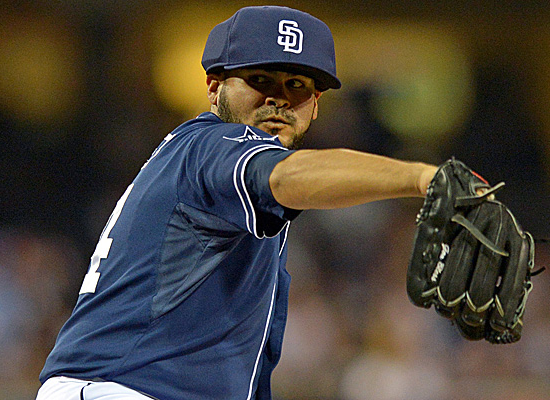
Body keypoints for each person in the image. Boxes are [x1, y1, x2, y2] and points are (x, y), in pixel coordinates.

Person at [36, 5, 438, 400]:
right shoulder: (213, 145)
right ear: (215, 87)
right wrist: (424, 179)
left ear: (315, 104)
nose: (278, 99)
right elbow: (283, 176)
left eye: (297, 85)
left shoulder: (215, 176)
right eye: (261, 79)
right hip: (123, 387)